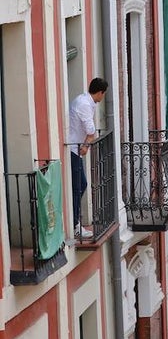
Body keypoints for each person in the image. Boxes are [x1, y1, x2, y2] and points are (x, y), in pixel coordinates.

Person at [67, 77, 108, 236]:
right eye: (103, 94)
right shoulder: (84, 104)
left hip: (75, 149)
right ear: (99, 92)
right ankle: (75, 225)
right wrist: (86, 144)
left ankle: (75, 222)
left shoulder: (84, 101)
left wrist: (86, 144)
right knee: (78, 186)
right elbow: (90, 130)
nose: (103, 97)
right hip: (73, 149)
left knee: (80, 185)